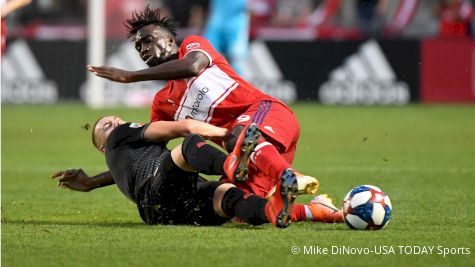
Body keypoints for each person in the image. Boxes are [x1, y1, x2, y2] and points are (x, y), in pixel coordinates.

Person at [86, 6, 343, 224]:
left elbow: (193, 66)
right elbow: (148, 156)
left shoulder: (192, 46)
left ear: (170, 40)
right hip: (249, 154)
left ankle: (287, 175)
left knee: (240, 133)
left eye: (148, 40)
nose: (142, 49)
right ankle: (317, 211)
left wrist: (130, 76)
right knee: (234, 206)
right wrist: (93, 182)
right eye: (139, 47)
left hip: (266, 113)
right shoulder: (163, 103)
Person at [53, 116, 298, 228]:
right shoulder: (122, 135)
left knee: (225, 195)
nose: (117, 124)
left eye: (117, 120)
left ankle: (271, 211)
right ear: (103, 147)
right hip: (154, 191)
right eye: (108, 126)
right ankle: (231, 165)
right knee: (189, 144)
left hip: (165, 212)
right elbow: (185, 127)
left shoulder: (120, 160)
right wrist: (230, 136)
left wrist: (89, 183)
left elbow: (117, 175)